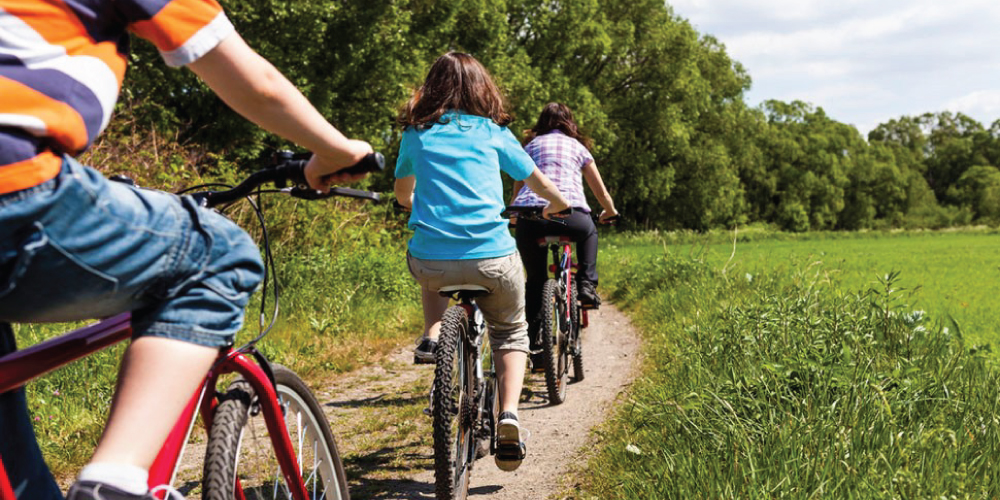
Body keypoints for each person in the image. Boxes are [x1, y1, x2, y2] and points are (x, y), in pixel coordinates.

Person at [0, 0, 372, 497]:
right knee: (217, 257)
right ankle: (117, 480)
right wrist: (335, 151)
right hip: (16, 189)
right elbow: (253, 81)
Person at [394, 52, 570, 471]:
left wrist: (418, 204)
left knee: (427, 252)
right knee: (510, 333)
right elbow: (536, 180)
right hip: (493, 258)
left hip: (433, 262)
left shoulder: (416, 134)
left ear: (432, 88)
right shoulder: (494, 133)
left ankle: (433, 332)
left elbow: (403, 193)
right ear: (482, 88)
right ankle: (508, 414)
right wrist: (557, 204)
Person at [508, 103, 618, 368]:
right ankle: (586, 285)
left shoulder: (529, 146)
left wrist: (514, 218)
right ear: (570, 122)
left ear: (541, 122)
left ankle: (536, 350)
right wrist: (609, 211)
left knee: (534, 281)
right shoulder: (578, 148)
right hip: (571, 216)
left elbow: (517, 188)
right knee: (589, 231)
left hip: (531, 217)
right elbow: (600, 191)